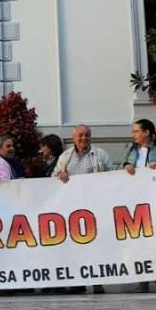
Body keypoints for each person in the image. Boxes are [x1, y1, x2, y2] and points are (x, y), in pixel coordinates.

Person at [54, 125, 112, 294]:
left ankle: (97, 283)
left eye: (87, 135)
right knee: (75, 246)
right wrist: (59, 175)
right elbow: (53, 179)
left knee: (96, 246)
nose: (83, 138)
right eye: (80, 135)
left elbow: (113, 175)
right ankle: (78, 281)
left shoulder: (100, 155)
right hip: (72, 210)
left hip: (95, 208)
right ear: (74, 138)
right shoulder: (65, 157)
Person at [122, 120, 156, 293]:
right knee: (140, 242)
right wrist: (126, 166)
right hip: (137, 203)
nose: (133, 134)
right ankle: (142, 281)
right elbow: (120, 172)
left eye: (136, 131)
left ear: (147, 132)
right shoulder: (130, 152)